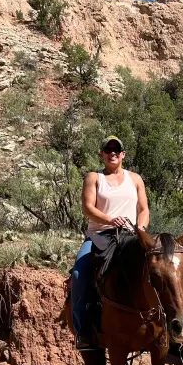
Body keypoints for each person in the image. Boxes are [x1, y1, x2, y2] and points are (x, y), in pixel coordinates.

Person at [71, 136, 150, 350]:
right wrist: (109, 220)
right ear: (102, 154)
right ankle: (83, 332)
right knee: (79, 274)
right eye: (108, 149)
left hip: (130, 236)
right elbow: (88, 208)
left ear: (123, 154)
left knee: (161, 268)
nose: (112, 153)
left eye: (117, 149)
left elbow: (143, 209)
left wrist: (140, 229)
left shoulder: (135, 179)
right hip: (100, 235)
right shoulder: (94, 178)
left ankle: (169, 331)